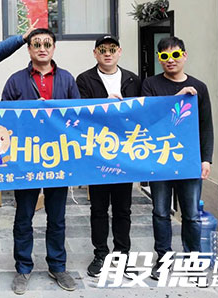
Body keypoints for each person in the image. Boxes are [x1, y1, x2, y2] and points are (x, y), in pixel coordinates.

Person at [1, 28, 80, 295]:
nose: (42, 48)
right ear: (29, 49)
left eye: (47, 44)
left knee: (57, 217)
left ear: (54, 48)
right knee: (24, 216)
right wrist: (29, 112)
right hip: (26, 158)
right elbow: (3, 118)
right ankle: (23, 268)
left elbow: (78, 116)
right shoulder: (15, 80)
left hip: (58, 157)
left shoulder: (67, 79)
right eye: (37, 44)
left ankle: (58, 266)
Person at [141, 36, 213, 280]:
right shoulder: (150, 84)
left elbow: (206, 126)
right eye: (164, 56)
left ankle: (193, 261)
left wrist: (206, 159)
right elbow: (148, 118)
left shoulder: (199, 87)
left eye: (175, 55)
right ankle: (163, 259)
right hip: (160, 159)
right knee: (161, 212)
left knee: (191, 214)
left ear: (184, 55)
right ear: (159, 59)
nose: (170, 60)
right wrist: (177, 98)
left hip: (190, 161)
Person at [75, 34, 141, 278]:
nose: (107, 53)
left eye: (112, 49)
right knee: (99, 208)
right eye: (102, 49)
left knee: (123, 208)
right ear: (95, 53)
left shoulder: (133, 79)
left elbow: (144, 110)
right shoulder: (84, 79)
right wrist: (105, 103)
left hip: (125, 154)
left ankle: (122, 254)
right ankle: (100, 254)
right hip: (97, 154)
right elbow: (80, 113)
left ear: (119, 52)